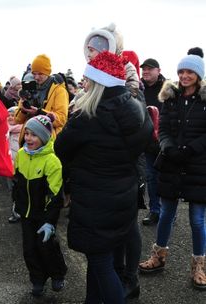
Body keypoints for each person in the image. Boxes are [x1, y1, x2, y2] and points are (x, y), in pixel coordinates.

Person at [54, 51, 152, 304]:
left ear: (98, 83)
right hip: (123, 196)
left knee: (100, 262)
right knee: (105, 259)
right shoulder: (136, 109)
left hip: (95, 199)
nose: (83, 84)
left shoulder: (86, 116)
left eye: (87, 80)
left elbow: (60, 149)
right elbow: (147, 145)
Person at [138, 54, 206, 290]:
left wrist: (190, 149)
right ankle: (158, 256)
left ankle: (199, 265)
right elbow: (163, 127)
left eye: (190, 72)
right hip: (172, 162)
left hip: (199, 165)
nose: (184, 76)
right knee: (166, 213)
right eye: (181, 72)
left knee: (197, 220)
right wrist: (167, 146)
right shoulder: (170, 98)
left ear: (198, 74)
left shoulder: (205, 99)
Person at [13, 114, 67, 296]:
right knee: (29, 249)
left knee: (47, 247)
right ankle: (37, 279)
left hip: (43, 215)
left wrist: (50, 221)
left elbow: (56, 195)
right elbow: (17, 181)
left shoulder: (52, 161)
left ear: (44, 138)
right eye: (26, 133)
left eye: (34, 135)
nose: (28, 138)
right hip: (26, 214)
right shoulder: (21, 154)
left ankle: (58, 274)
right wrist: (16, 202)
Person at [14, 54, 69, 146]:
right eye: (34, 73)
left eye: (40, 74)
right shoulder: (29, 88)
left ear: (47, 73)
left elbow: (62, 119)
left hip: (47, 142)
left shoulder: (59, 90)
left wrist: (38, 112)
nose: (36, 77)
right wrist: (23, 110)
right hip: (27, 140)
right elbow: (18, 120)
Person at [140, 58, 165, 226]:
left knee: (166, 178)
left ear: (158, 70)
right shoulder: (138, 88)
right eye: (144, 69)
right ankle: (155, 210)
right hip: (147, 141)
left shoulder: (168, 89)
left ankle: (168, 210)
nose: (146, 72)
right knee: (151, 177)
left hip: (165, 141)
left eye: (150, 69)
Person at [7, 106, 23, 223]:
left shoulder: (24, 130)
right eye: (9, 115)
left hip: (21, 165)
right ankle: (16, 211)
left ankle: (20, 211)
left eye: (13, 115)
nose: (11, 118)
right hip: (9, 165)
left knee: (20, 190)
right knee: (13, 190)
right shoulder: (4, 130)